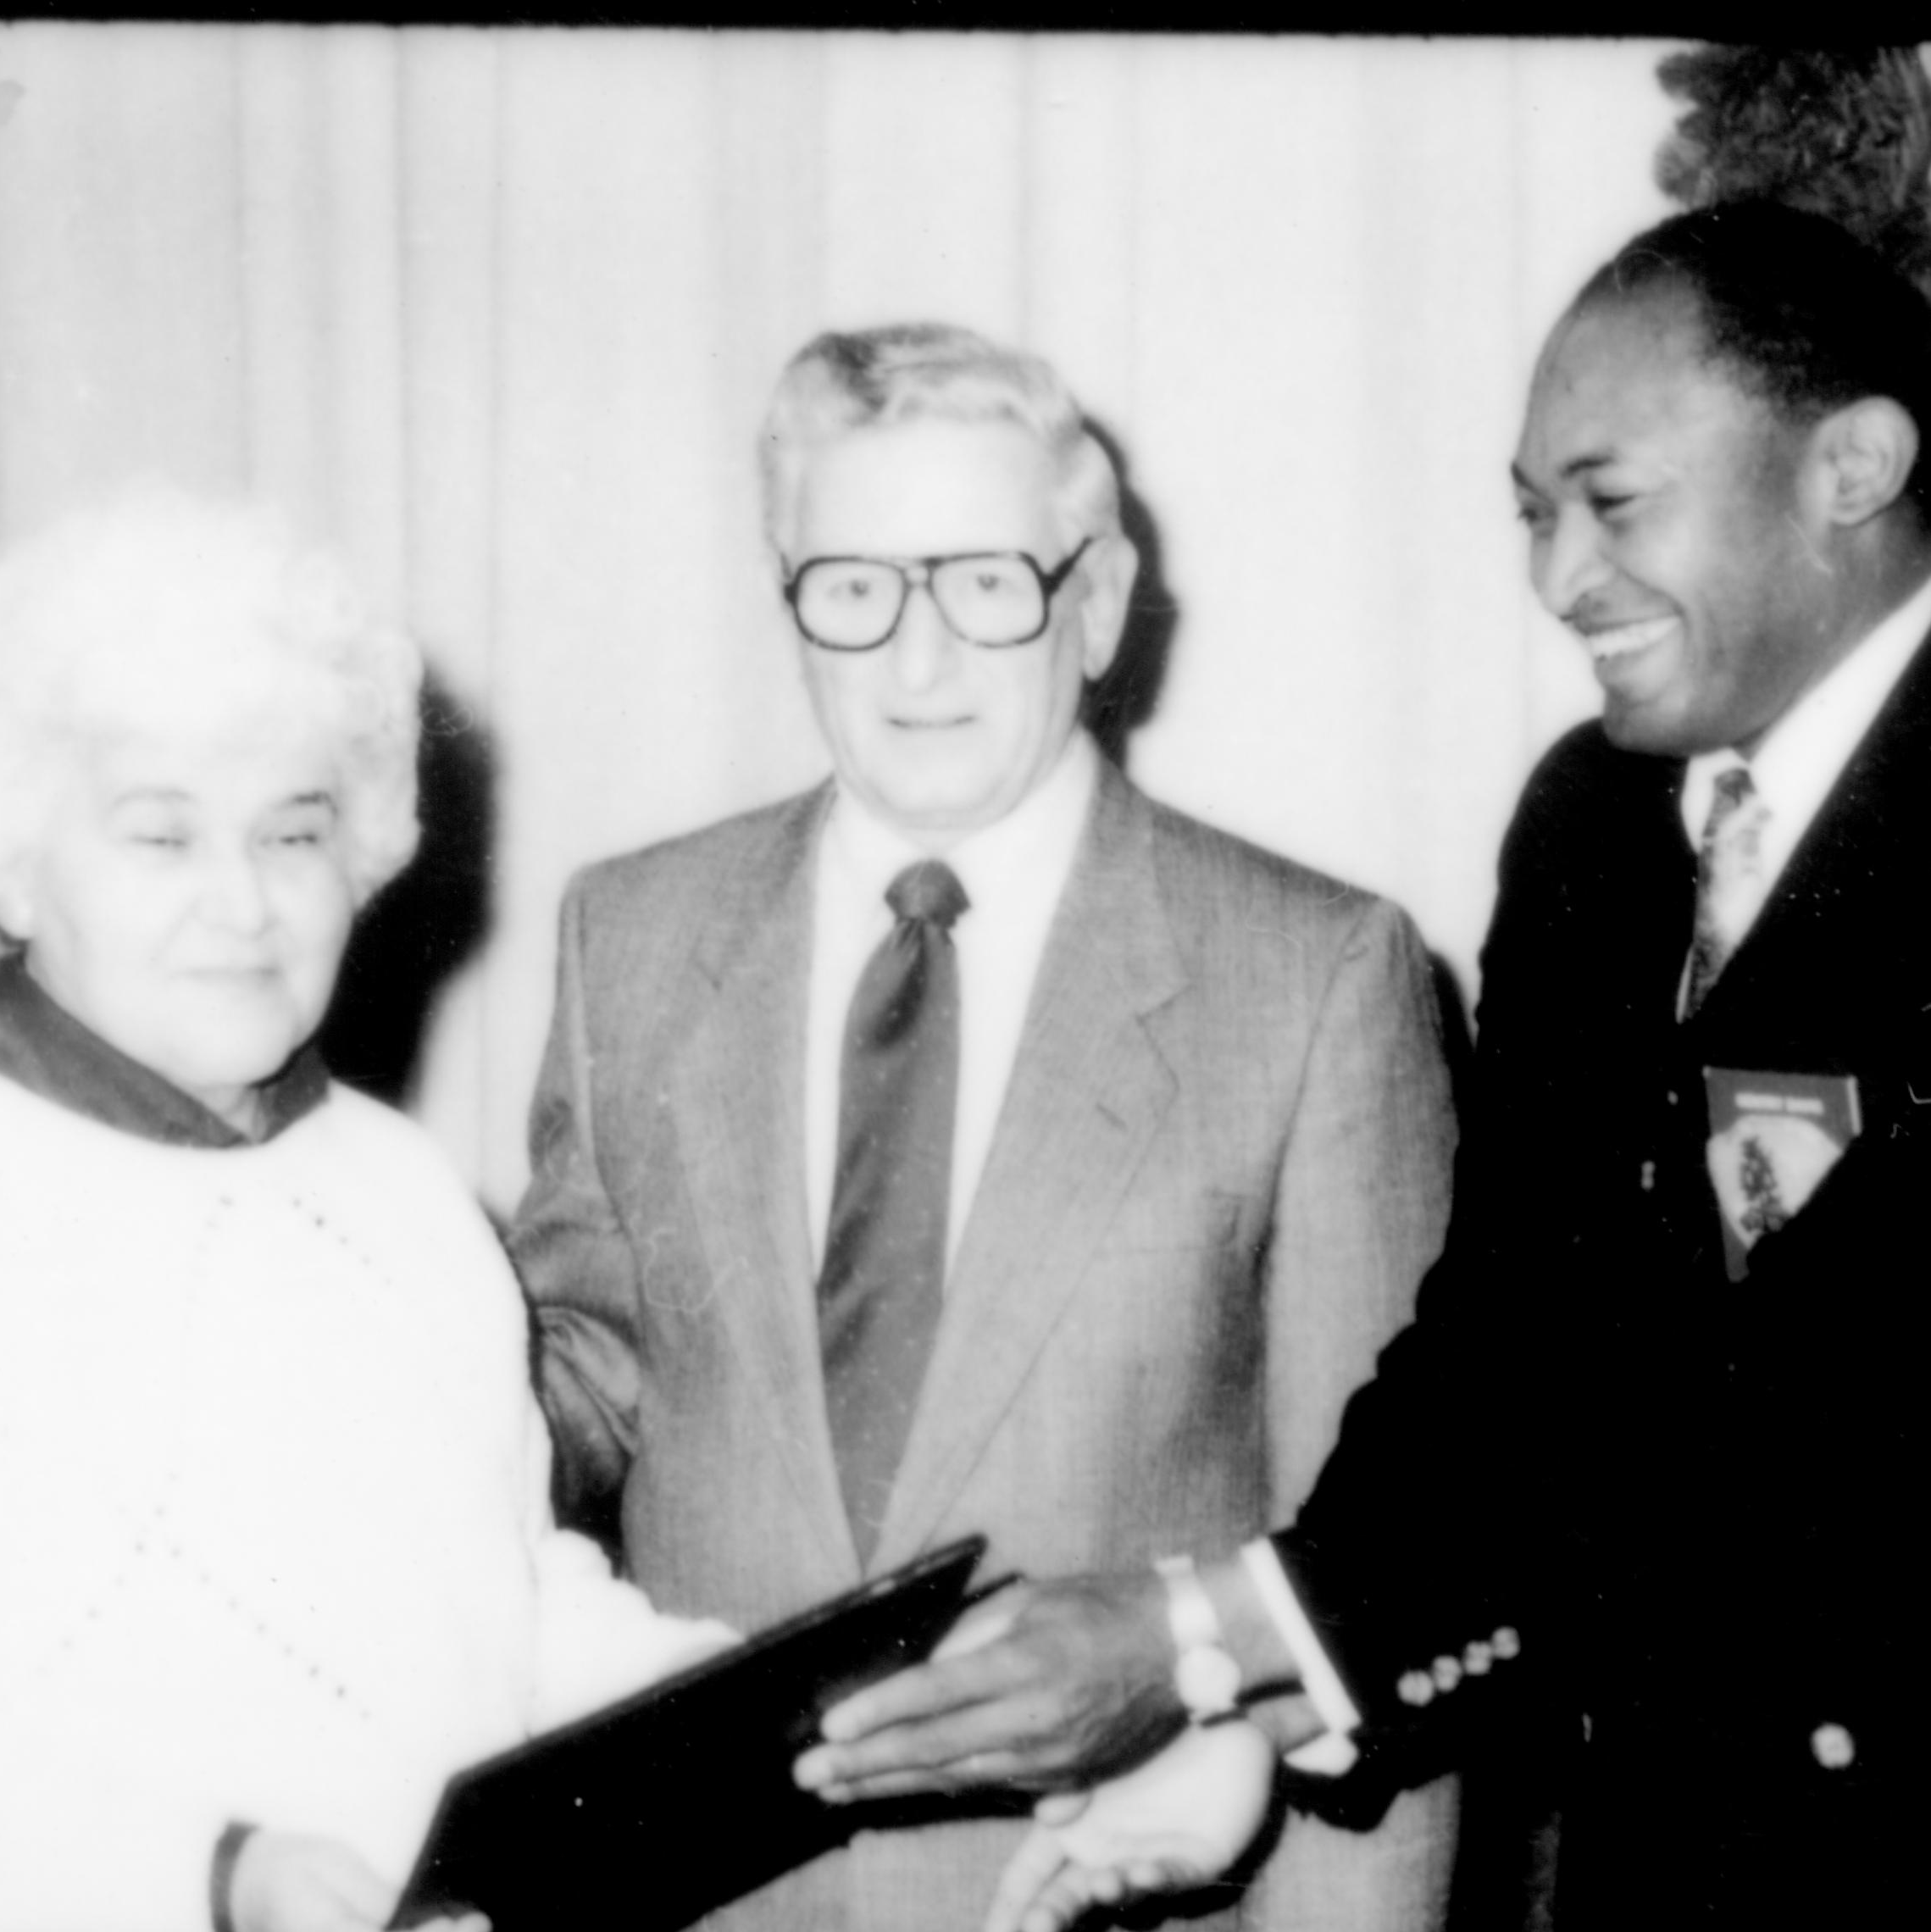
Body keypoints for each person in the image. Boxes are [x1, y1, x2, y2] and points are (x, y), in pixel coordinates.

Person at [796, 203, 1931, 1929]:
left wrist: (1224, 1638)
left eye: (1613, 504)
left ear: (1850, 465)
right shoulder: (1596, 824)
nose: (1556, 577)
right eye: (1534, 514)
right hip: (1692, 1854)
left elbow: (1838, 1426)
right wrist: (1276, 1700)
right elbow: (1513, 1329)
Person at [0, 485, 730, 1932]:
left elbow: (511, 1610)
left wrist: (760, 1704)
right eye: (161, 839)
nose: (244, 907)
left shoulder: (402, 1198)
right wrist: (209, 1877)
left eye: (291, 837)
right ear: (10, 868)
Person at [511, 323, 1459, 1931]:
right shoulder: (633, 935)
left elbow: (1385, 1558)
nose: (916, 659)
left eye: (985, 583)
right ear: (788, 605)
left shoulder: (1316, 976)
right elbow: (588, 1381)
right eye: (856, 586)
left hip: (1098, 1899)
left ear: (1092, 605)